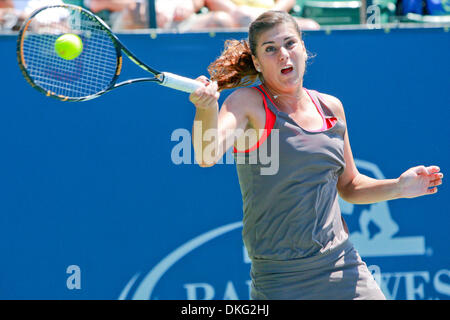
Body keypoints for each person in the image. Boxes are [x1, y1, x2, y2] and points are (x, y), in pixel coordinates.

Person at [188, 10, 444, 299]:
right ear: (257, 63)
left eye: (290, 43)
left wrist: (399, 187)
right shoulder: (246, 103)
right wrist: (205, 109)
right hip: (280, 279)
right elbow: (207, 154)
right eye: (270, 49)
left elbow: (350, 186)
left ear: (303, 49)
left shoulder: (331, 108)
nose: (283, 54)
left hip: (342, 264)